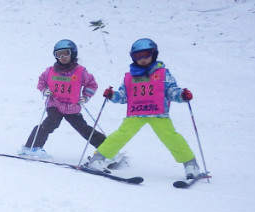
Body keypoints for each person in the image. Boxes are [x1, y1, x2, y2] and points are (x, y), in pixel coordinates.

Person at [83, 38, 200, 178]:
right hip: (136, 114)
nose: (142, 59)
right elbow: (123, 96)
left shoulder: (163, 74)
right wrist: (112, 95)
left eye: (146, 55)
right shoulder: (130, 77)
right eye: (138, 56)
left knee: (172, 138)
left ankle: (190, 164)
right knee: (119, 136)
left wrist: (182, 95)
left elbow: (171, 91)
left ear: (154, 54)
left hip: (158, 114)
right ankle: (98, 160)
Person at [20, 39, 108, 159]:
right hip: (54, 104)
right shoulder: (50, 71)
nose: (62, 57)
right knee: (50, 123)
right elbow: (41, 81)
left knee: (84, 129)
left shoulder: (81, 72)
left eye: (65, 53)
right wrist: (45, 91)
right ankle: (32, 147)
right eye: (58, 54)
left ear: (73, 53)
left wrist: (85, 97)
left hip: (72, 107)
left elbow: (92, 84)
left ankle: (108, 150)